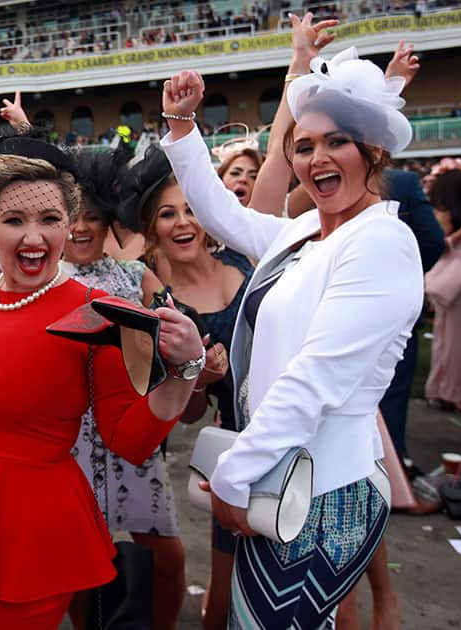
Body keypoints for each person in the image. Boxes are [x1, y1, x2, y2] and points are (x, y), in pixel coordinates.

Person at [161, 13, 424, 627]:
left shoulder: (380, 243)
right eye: (303, 146)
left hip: (323, 494)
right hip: (276, 481)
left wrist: (233, 475)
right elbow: (224, 216)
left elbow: (317, 379)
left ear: (373, 150)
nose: (316, 158)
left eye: (336, 142)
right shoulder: (309, 229)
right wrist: (181, 125)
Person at [0, 136, 211, 628]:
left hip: (27, 534)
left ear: (69, 223)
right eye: (14, 221)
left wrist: (186, 372)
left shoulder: (98, 314)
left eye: (49, 220)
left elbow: (128, 440)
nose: (33, 237)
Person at [62, 148, 225, 630]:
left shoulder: (135, 276)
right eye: (71, 216)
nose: (81, 227)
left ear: (110, 220)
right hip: (69, 440)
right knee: (81, 561)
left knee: (167, 554)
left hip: (133, 430)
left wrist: (198, 359)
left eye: (93, 216)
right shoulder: (45, 279)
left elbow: (180, 327)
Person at [120, 144, 257, 629]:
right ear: (151, 228)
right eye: (167, 213)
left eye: (192, 209)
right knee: (221, 604)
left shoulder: (249, 258)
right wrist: (202, 378)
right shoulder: (165, 307)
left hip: (305, 430)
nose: (182, 222)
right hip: (238, 445)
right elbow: (190, 414)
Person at [425, 169, 461, 413]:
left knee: (457, 338)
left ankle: (452, 390)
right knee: (450, 339)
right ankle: (446, 390)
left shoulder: (457, 211)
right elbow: (442, 245)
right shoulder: (444, 214)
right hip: (450, 278)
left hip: (460, 275)